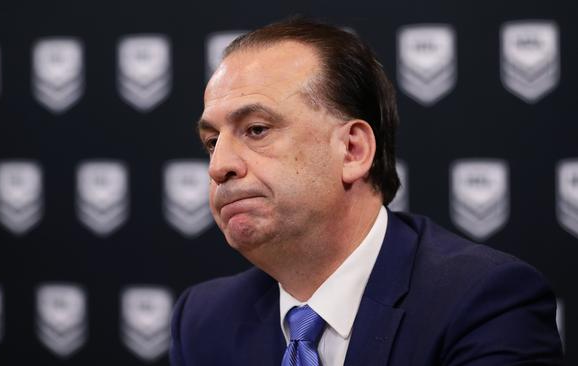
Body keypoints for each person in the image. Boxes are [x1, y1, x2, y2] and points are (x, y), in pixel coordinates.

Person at [170, 17, 563, 365]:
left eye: (256, 129)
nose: (218, 166)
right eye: (211, 142)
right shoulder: (203, 321)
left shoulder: (482, 303)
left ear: (353, 150)